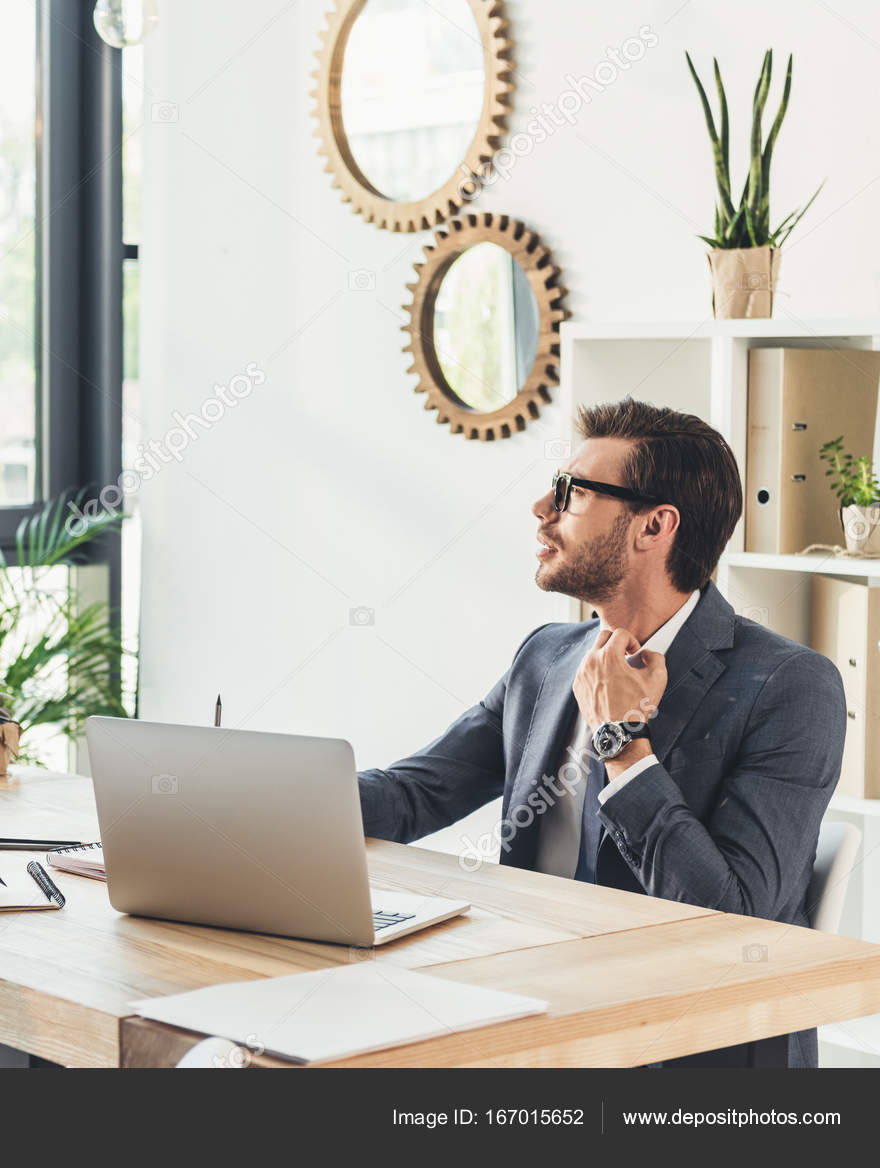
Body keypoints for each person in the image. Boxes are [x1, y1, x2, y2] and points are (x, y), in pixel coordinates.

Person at [356, 398, 846, 1067]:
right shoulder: (548, 655)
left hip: (691, 1054)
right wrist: (262, 803)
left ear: (654, 526)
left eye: (570, 492)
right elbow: (417, 793)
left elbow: (731, 922)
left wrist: (621, 740)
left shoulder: (790, 685)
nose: (541, 509)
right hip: (534, 1019)